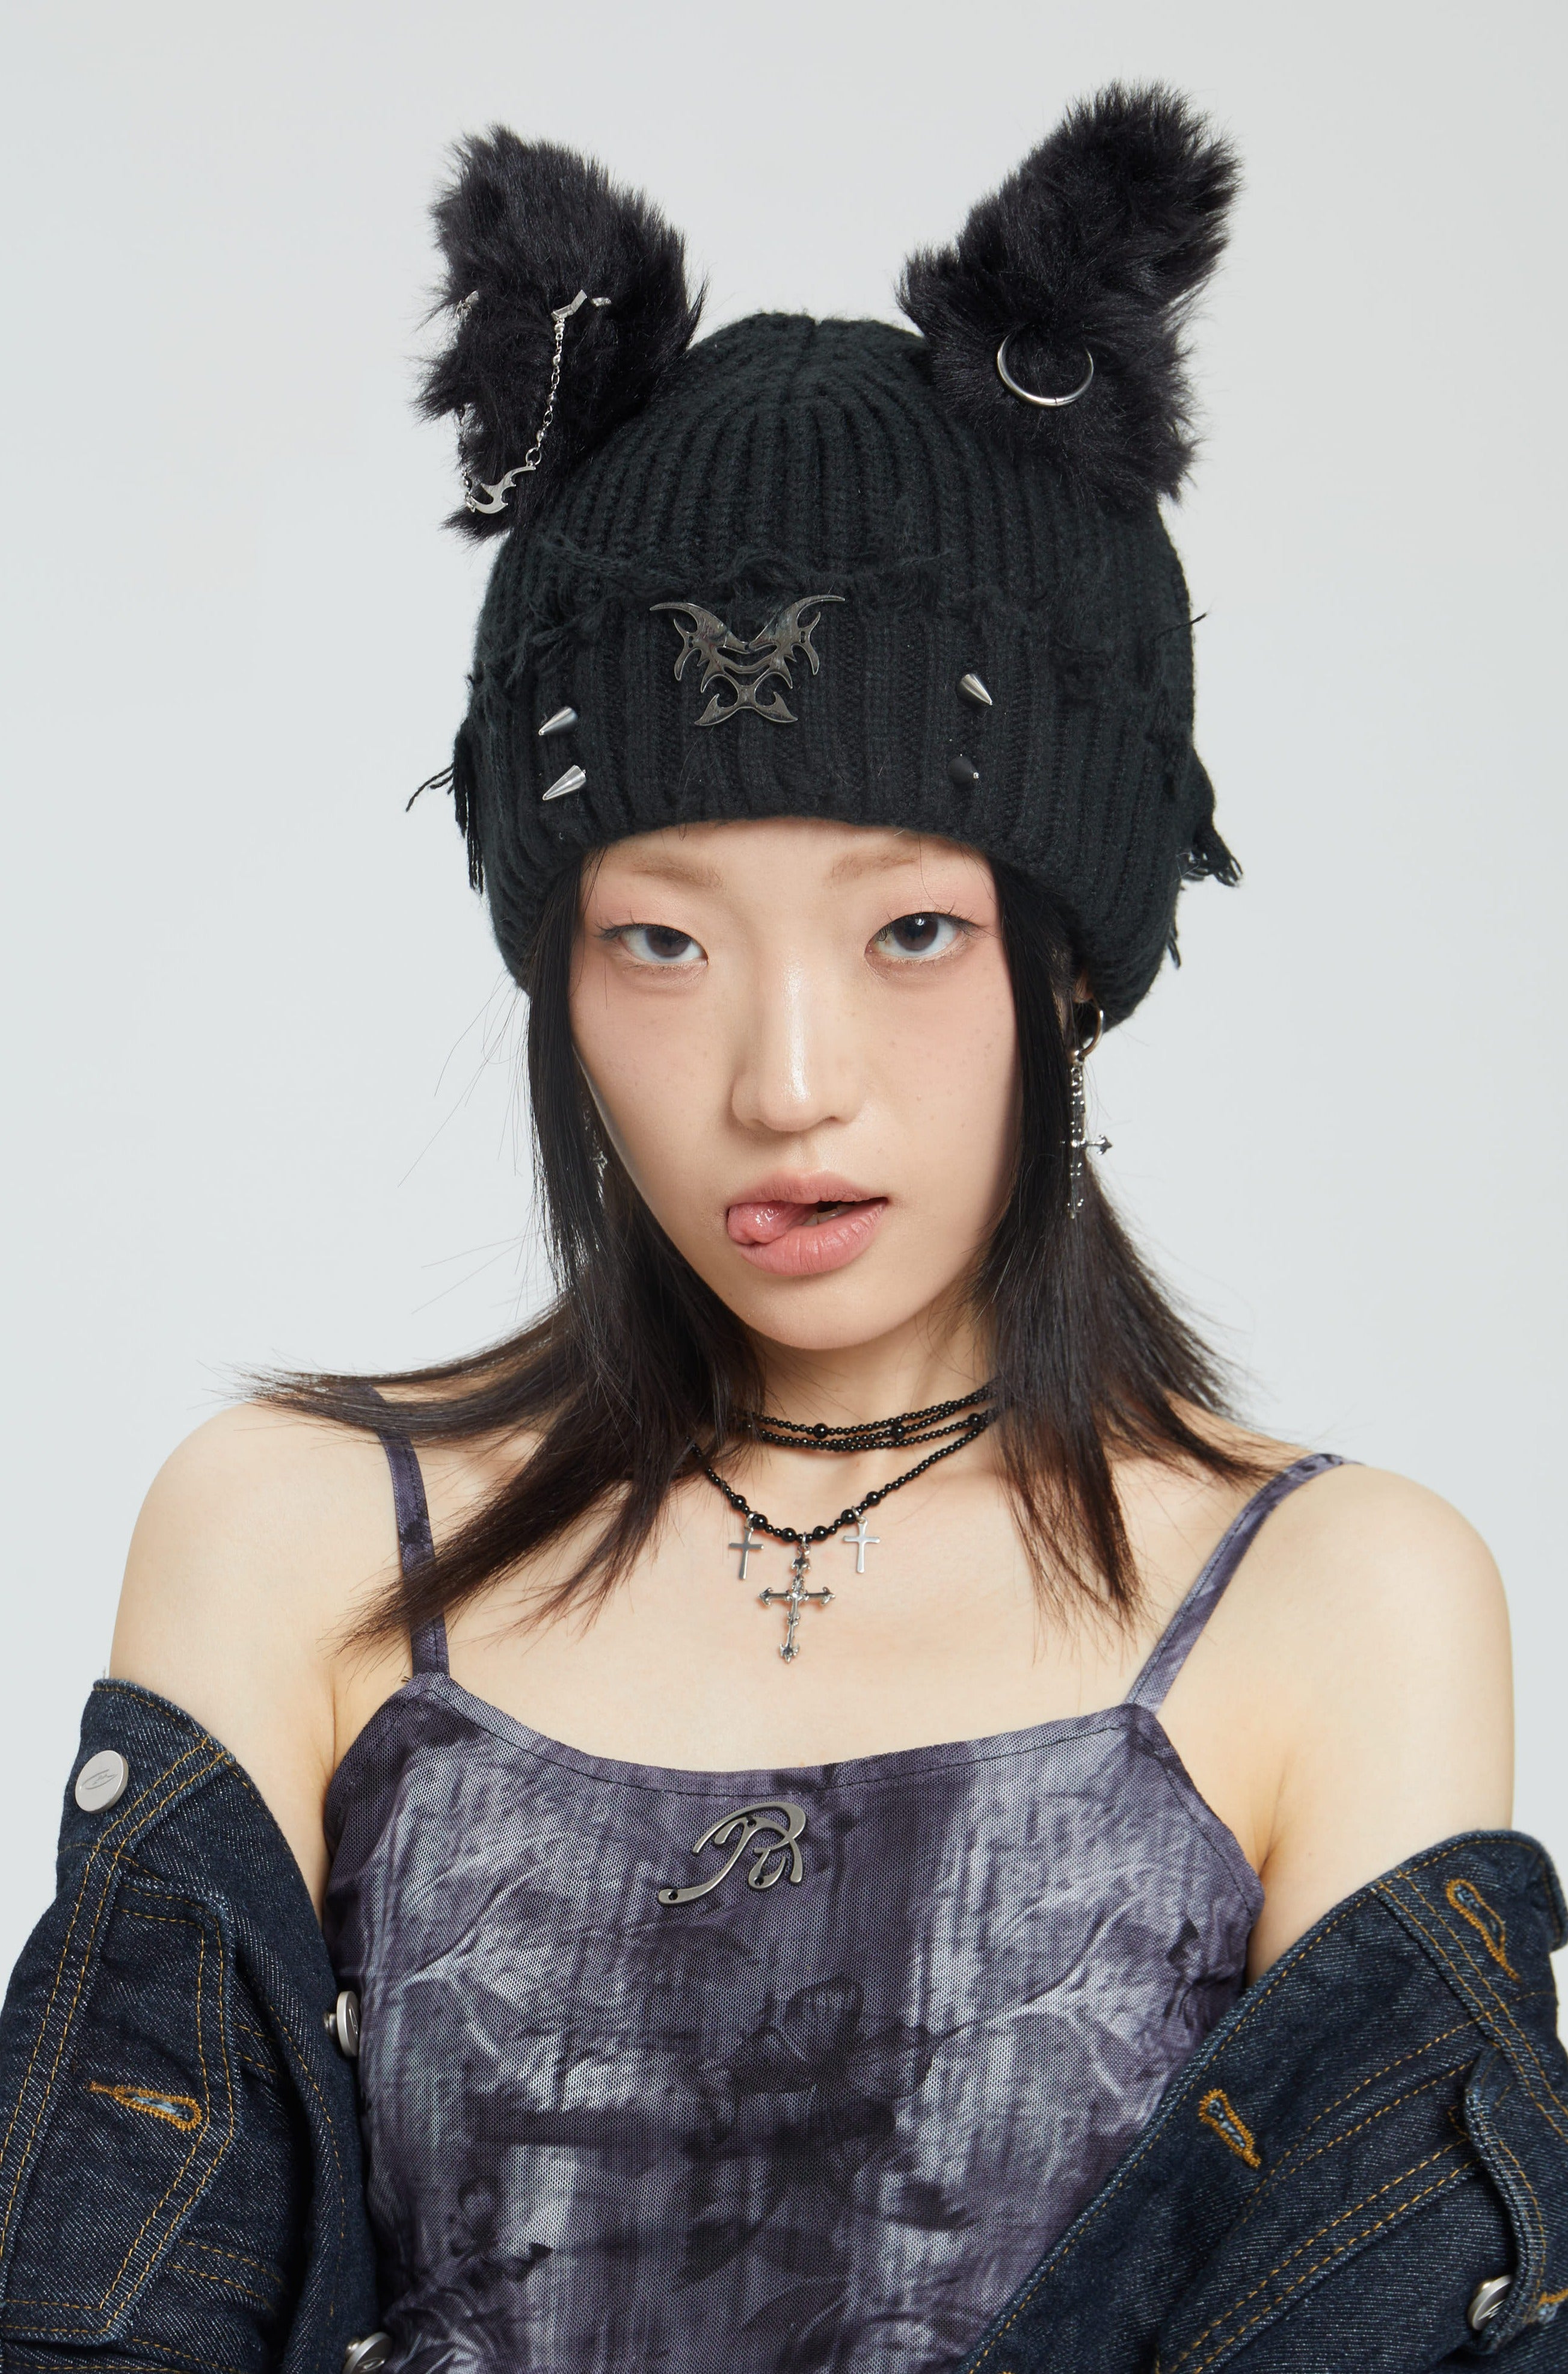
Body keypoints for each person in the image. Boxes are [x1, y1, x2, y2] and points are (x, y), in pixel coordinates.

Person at [1, 84, 1549, 2374]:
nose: (786, 1076)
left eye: (911, 929)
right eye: (663, 939)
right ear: (557, 974)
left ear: (1068, 963)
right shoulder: (297, 1542)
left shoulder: (1336, 1601)